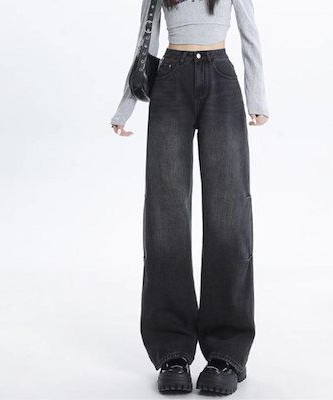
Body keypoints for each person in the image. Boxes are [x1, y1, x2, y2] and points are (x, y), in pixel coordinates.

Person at [110, 0, 269, 395]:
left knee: (229, 216)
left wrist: (257, 98)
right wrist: (125, 107)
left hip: (221, 79)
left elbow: (250, 34)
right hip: (170, 80)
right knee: (165, 218)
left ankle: (226, 353)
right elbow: (146, 39)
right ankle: (172, 352)